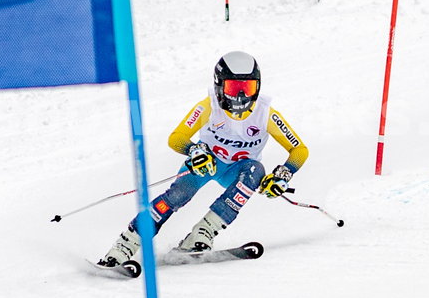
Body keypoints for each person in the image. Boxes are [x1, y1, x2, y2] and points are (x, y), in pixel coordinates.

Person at [101, 51, 309, 266]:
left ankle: (201, 234)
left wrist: (283, 175)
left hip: (237, 172)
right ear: (220, 85)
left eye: (247, 88)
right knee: (177, 196)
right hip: (206, 165)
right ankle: (125, 245)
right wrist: (194, 151)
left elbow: (299, 150)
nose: (240, 97)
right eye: (233, 88)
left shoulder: (265, 114)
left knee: (256, 170)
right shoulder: (209, 106)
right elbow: (177, 138)